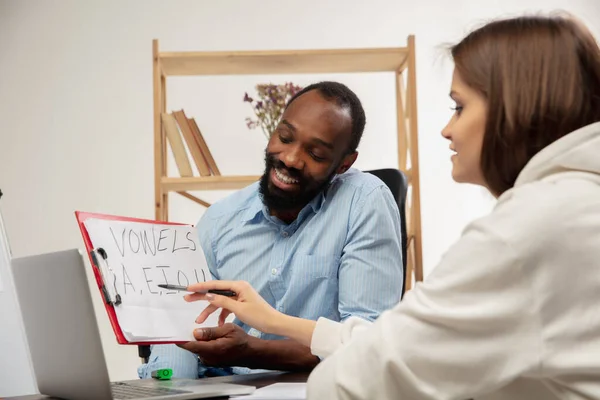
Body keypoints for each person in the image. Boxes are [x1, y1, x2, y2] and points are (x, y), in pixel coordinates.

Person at [185, 14, 600, 399]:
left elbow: (373, 374)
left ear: (517, 109)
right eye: (287, 136)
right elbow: (400, 344)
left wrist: (266, 348)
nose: (447, 129)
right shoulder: (571, 207)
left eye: (459, 105)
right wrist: (274, 322)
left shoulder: (524, 232)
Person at [138, 81, 404, 379]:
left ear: (344, 163)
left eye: (316, 154)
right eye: (285, 137)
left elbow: (367, 346)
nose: (290, 158)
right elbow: (180, 323)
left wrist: (252, 352)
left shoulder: (364, 202)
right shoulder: (220, 220)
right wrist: (173, 391)